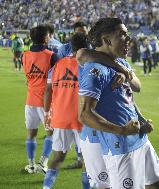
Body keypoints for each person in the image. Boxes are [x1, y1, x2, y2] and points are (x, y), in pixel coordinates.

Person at [79, 17, 159, 189]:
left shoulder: (120, 62)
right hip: (119, 143)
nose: (129, 39)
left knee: (155, 183)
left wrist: (141, 120)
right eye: (122, 35)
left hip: (139, 137)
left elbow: (130, 95)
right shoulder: (94, 70)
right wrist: (122, 130)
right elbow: (85, 114)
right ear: (107, 40)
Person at [42, 33, 88, 189]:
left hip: (61, 118)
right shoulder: (88, 65)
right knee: (87, 161)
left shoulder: (58, 64)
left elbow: (48, 90)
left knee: (58, 157)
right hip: (83, 119)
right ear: (86, 47)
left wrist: (47, 113)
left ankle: (46, 187)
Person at [22, 25, 59, 174]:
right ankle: (42, 163)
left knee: (31, 133)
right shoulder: (51, 56)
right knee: (51, 133)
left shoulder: (24, 55)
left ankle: (31, 164)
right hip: (47, 102)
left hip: (30, 101)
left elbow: (28, 78)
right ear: (45, 38)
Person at [57, 21, 88, 169]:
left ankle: (83, 160)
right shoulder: (63, 50)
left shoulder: (90, 50)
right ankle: (80, 160)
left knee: (82, 134)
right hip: (68, 97)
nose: (83, 33)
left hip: (82, 99)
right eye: (80, 31)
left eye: (84, 31)